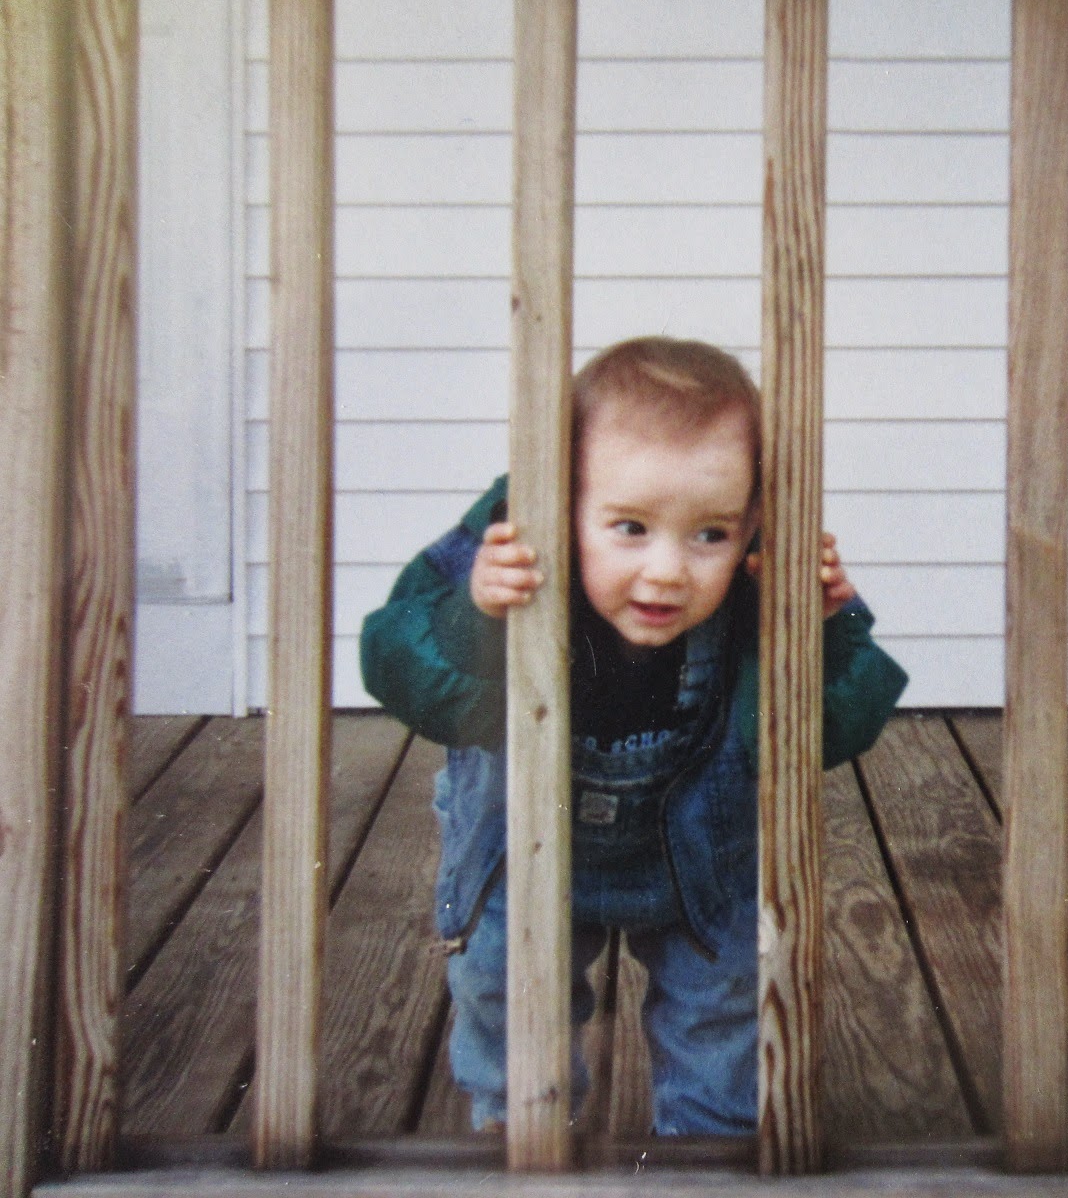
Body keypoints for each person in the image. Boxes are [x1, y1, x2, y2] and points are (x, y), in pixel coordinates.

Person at [360, 336, 908, 1135]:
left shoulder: (765, 578)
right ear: (560, 500)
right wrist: (474, 616)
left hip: (702, 863)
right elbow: (398, 662)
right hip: (523, 848)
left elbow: (835, 729)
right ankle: (521, 1132)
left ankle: (707, 1149)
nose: (667, 571)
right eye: (630, 527)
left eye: (710, 534)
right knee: (505, 989)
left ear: (753, 520)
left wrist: (818, 630)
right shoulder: (508, 541)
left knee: (721, 1007)